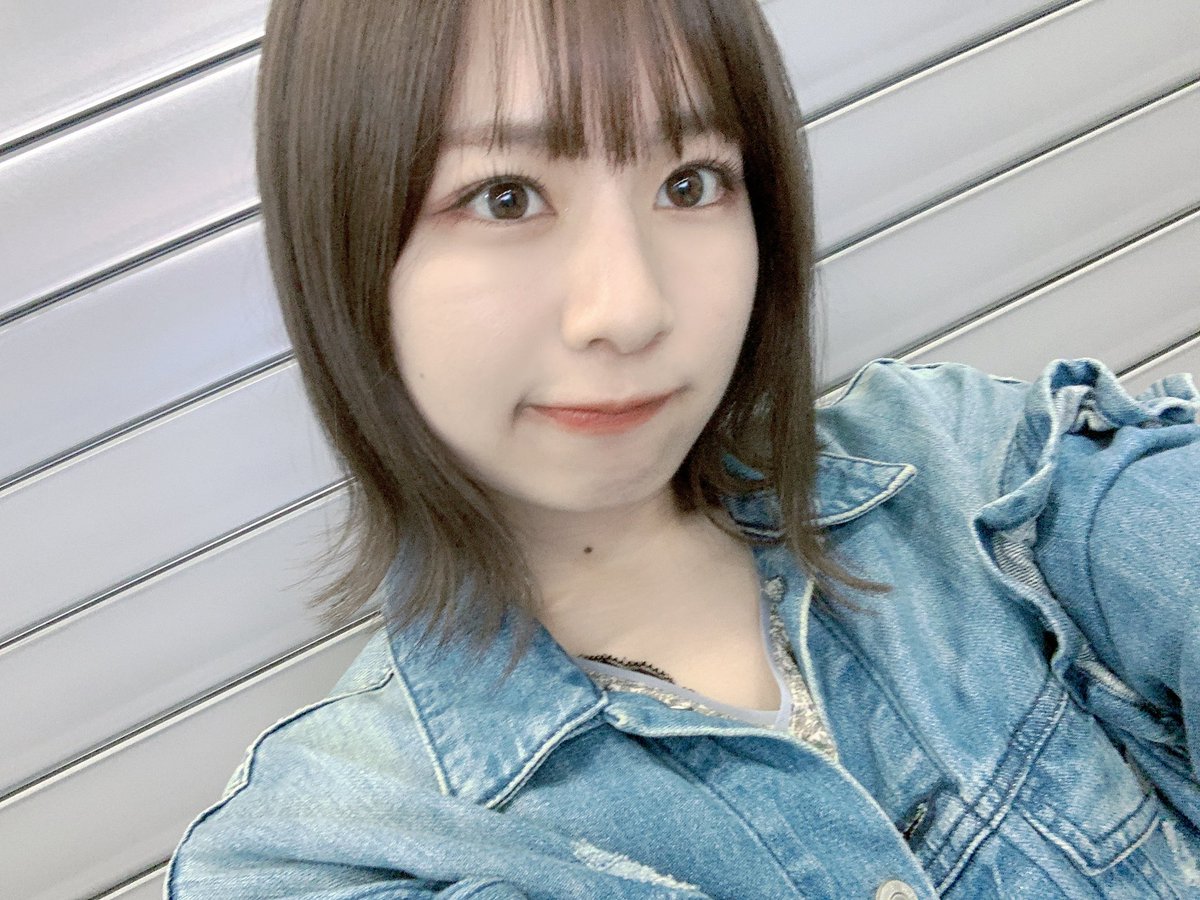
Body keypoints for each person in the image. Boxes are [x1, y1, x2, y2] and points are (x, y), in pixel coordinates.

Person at [167, 0, 1200, 896]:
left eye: (692, 183)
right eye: (505, 196)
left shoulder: (978, 474)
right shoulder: (331, 851)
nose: (630, 310)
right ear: (345, 244)